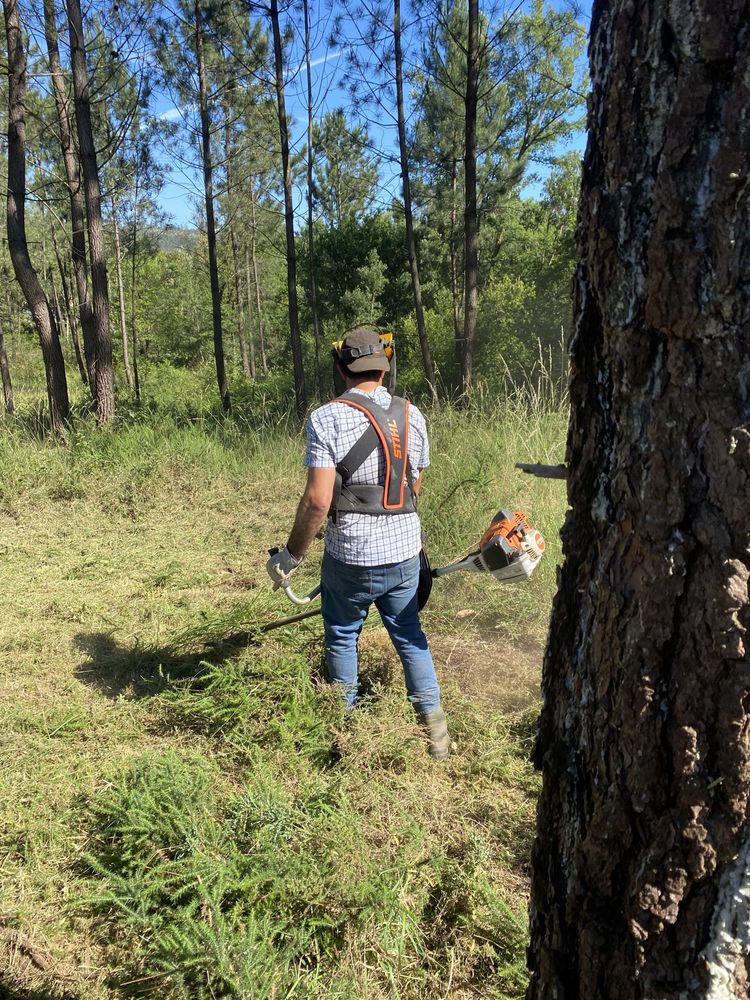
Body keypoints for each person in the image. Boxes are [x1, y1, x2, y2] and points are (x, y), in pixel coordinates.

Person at [266, 326, 452, 759]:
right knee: (409, 635)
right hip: (406, 553)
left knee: (343, 636)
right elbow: (414, 483)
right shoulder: (413, 415)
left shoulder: (325, 417)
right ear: (384, 368)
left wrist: (291, 556)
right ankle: (438, 741)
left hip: (351, 557)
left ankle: (344, 741)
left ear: (341, 368)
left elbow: (317, 501)